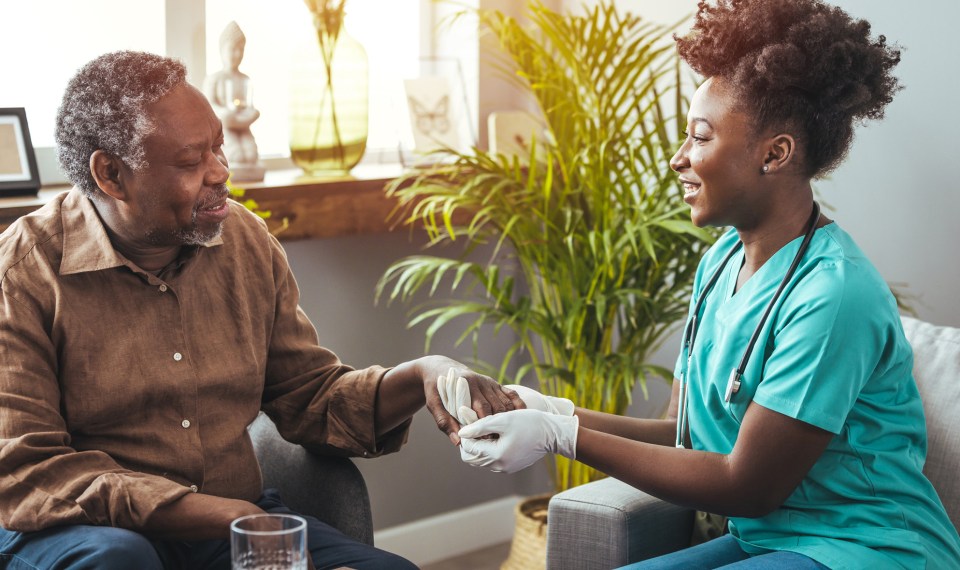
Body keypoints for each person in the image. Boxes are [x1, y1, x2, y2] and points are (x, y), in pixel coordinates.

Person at [450, 0, 960, 568]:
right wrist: (551, 409)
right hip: (766, 541)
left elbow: (748, 486)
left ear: (776, 154)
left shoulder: (835, 296)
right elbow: (680, 433)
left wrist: (560, 437)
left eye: (700, 137)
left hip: (869, 547)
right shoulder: (719, 263)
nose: (677, 159)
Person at [0, 50, 522, 569]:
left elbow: (309, 395)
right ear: (111, 174)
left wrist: (422, 375)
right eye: (190, 162)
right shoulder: (23, 273)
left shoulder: (244, 240)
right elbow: (29, 469)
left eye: (218, 149)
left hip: (234, 521)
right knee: (122, 560)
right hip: (83, 532)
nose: (220, 172)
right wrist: (218, 515)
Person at [202, 21, 265, 182]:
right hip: (225, 127)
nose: (236, 54)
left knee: (251, 156)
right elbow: (209, 107)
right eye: (232, 49)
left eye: (240, 49)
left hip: (243, 125)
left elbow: (249, 107)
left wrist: (250, 115)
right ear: (222, 51)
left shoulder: (245, 79)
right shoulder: (214, 79)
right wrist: (226, 115)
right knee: (235, 156)